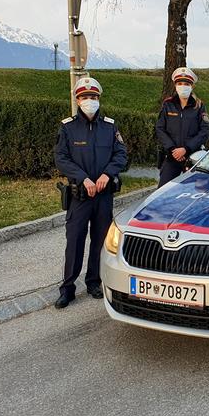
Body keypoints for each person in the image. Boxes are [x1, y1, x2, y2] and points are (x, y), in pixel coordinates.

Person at [53, 77, 127, 309]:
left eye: (93, 97)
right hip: (80, 196)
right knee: (74, 241)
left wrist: (107, 174)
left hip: (103, 196)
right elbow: (61, 158)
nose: (89, 101)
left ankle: (94, 282)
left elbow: (121, 155)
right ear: (77, 100)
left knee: (99, 241)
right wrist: (83, 178)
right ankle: (68, 288)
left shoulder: (110, 126)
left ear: (99, 99)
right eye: (85, 97)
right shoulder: (68, 128)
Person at [156, 67, 209, 187]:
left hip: (192, 158)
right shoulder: (168, 104)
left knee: (192, 192)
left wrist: (186, 149)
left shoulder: (199, 106)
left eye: (186, 84)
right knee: (164, 193)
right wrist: (172, 149)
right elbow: (160, 128)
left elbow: (204, 130)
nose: (182, 86)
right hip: (172, 157)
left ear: (192, 86)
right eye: (179, 83)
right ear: (175, 85)